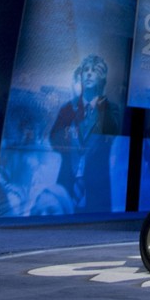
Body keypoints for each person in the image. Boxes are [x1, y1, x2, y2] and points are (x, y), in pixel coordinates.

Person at [49, 54, 120, 213]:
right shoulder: (68, 108)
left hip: (96, 188)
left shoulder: (110, 108)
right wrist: (71, 146)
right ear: (80, 76)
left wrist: (101, 97)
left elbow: (112, 131)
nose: (88, 73)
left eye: (94, 71)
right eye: (86, 70)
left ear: (102, 78)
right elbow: (53, 138)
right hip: (67, 182)